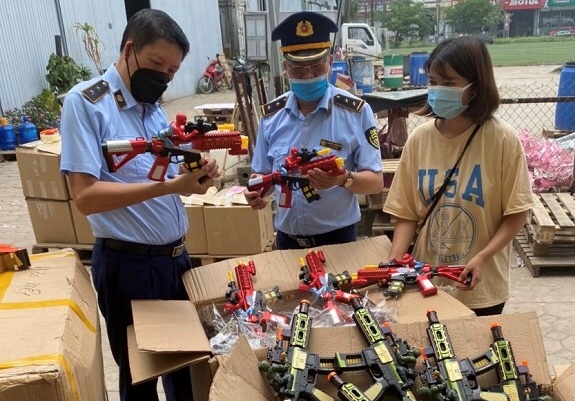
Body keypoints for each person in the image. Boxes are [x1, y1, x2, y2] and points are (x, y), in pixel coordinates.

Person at [60, 9, 219, 401]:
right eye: (156, 63)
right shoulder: (87, 104)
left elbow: (166, 180)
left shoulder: (153, 109)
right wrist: (172, 187)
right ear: (129, 50)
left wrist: (196, 178)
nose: (163, 76)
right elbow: (85, 196)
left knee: (186, 374)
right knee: (140, 382)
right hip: (128, 266)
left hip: (176, 261)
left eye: (172, 70)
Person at [383, 36, 534, 316]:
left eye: (449, 83)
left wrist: (483, 257)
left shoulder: (502, 140)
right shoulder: (419, 140)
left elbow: (517, 213)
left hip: (480, 288)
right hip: (425, 283)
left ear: (475, 87)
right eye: (433, 81)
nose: (438, 89)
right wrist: (392, 266)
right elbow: (406, 214)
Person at [244, 11, 383, 250]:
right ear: (286, 68)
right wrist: (256, 193)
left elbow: (375, 183)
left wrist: (343, 179)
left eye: (317, 67)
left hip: (338, 242)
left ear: (329, 64)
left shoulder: (356, 113)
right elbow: (261, 173)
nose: (308, 76)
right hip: (287, 241)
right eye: (298, 69)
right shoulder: (271, 116)